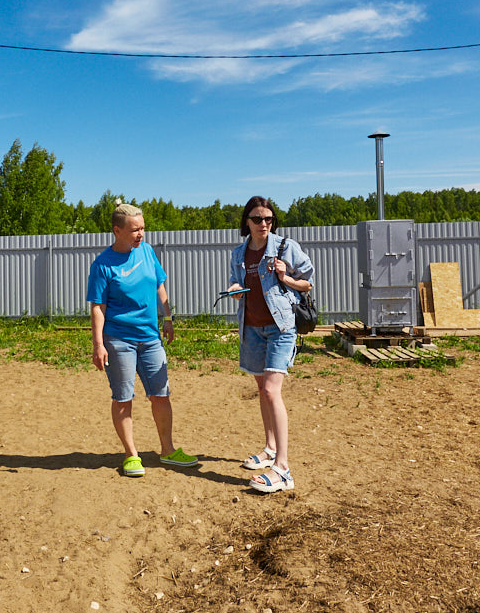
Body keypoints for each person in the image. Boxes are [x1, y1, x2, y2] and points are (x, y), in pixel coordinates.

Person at [87, 203, 199, 477]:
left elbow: (159, 284)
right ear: (117, 230)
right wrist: (99, 344)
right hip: (119, 340)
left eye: (143, 228)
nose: (141, 234)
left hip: (150, 339)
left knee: (161, 394)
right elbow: (98, 307)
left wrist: (168, 318)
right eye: (135, 229)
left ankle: (168, 450)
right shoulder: (102, 264)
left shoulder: (147, 252)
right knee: (123, 398)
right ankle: (131, 455)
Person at [225, 196, 314, 493]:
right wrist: (235, 290)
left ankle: (284, 469)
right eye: (257, 219)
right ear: (246, 222)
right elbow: (239, 285)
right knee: (262, 390)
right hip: (251, 328)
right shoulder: (239, 253)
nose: (264, 224)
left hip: (281, 327)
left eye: (268, 219)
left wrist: (285, 276)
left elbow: (308, 284)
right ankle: (270, 449)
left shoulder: (286, 247)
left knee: (272, 391)